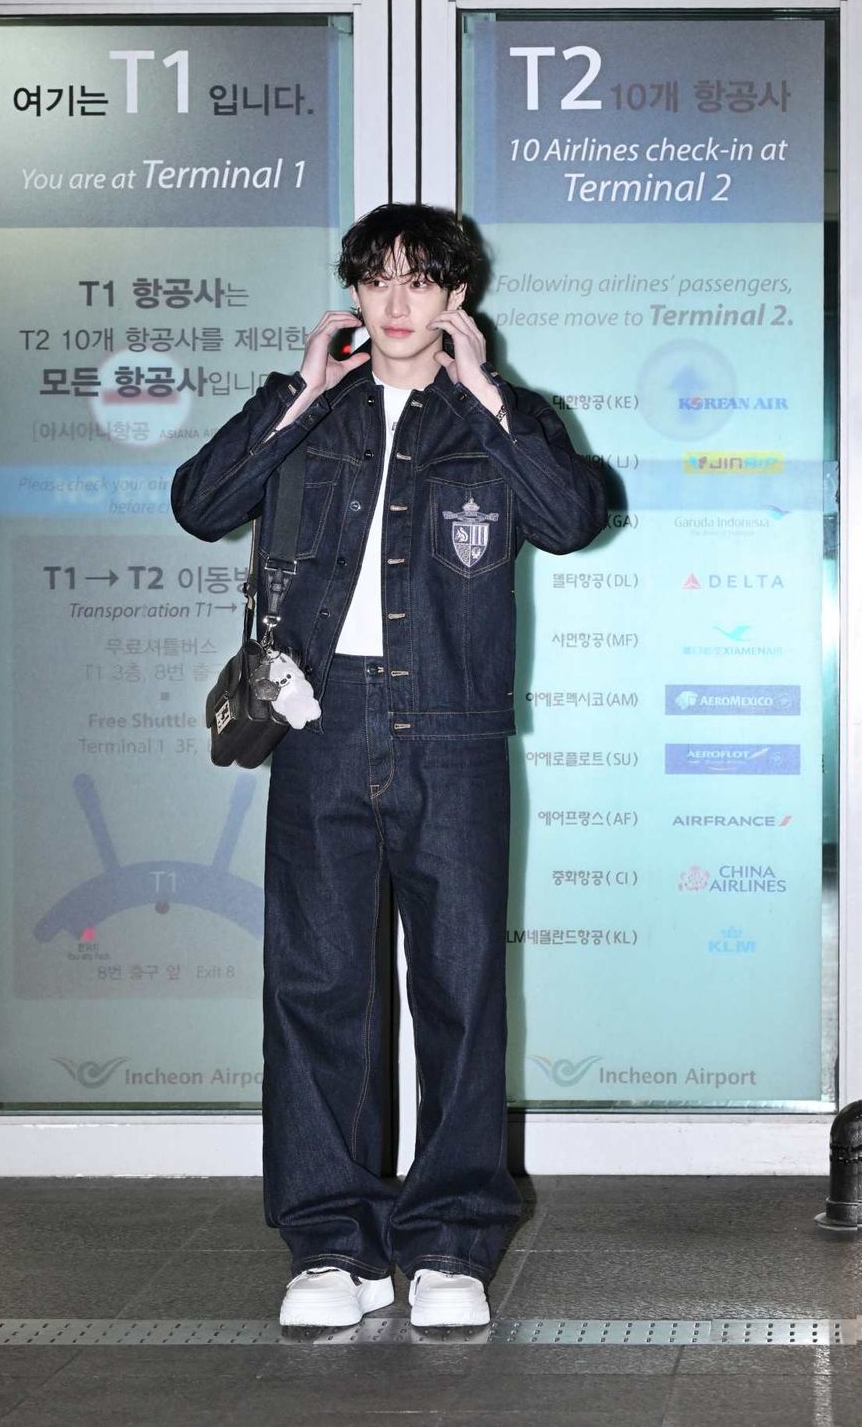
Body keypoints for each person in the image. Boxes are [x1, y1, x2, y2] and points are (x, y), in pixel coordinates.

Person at [171, 203, 607, 1328]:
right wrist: (296, 393)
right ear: (355, 295)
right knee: (317, 987)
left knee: (458, 986)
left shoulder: (499, 418)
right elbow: (201, 506)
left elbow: (569, 519)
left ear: (458, 297)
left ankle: (451, 1242)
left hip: (451, 730)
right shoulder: (314, 410)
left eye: (420, 280)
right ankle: (332, 1245)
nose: (397, 301)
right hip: (319, 725)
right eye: (377, 280)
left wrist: (490, 397)